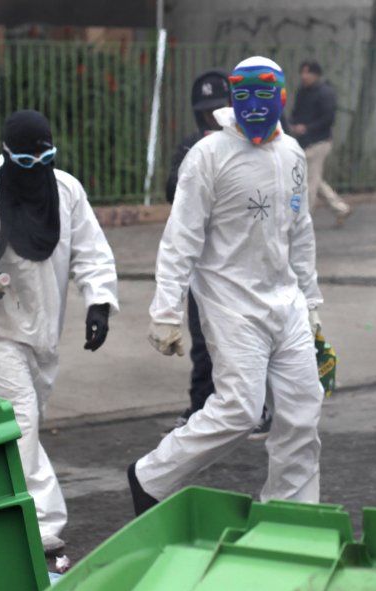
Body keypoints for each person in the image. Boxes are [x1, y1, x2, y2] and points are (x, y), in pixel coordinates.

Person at [0, 110, 119, 572]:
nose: (37, 170)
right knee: (22, 416)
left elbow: (92, 249)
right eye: (27, 162)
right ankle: (43, 529)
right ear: (8, 156)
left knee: (22, 422)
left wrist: (99, 301)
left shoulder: (66, 191)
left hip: (45, 332)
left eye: (45, 158)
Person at [129, 56, 324, 515]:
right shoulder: (209, 155)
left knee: (302, 411)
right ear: (233, 98)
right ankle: (151, 476)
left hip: (287, 302)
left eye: (264, 94)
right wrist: (165, 312)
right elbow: (181, 237)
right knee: (240, 410)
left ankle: (290, 512)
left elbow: (301, 231)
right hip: (231, 304)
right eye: (244, 95)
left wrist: (312, 303)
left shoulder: (292, 153)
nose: (254, 106)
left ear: (281, 96)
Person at [164, 70, 230, 433]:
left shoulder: (247, 148)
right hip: (202, 264)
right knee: (202, 339)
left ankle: (256, 408)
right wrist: (196, 158)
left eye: (220, 110)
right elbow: (171, 192)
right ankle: (199, 407)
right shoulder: (191, 146)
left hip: (237, 262)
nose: (214, 119)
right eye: (207, 113)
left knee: (245, 342)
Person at [289, 59, 352, 227]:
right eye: (302, 72)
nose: (304, 76)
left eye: (308, 72)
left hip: (319, 142)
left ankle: (304, 218)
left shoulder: (325, 93)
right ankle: (341, 208)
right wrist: (294, 125)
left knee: (309, 181)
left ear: (316, 74)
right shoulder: (302, 91)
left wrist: (307, 128)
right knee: (314, 179)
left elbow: (328, 118)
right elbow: (295, 111)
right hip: (305, 141)